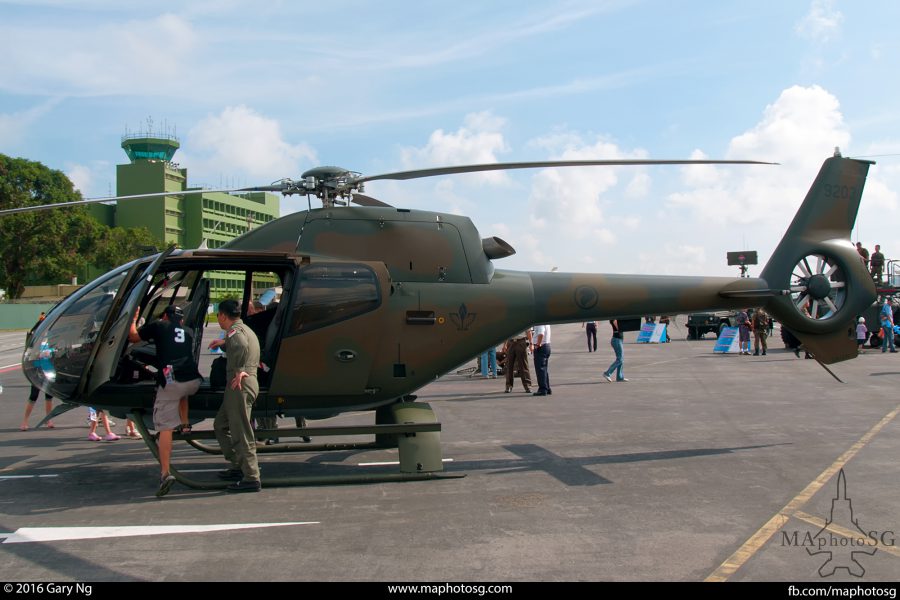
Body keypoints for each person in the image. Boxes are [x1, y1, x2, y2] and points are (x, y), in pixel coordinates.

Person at [128, 305, 202, 497]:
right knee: (182, 392)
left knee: (165, 428)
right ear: (181, 320)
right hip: (193, 381)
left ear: (165, 317)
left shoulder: (160, 325)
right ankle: (185, 424)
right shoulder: (188, 331)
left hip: (172, 382)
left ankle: (165, 473)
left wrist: (133, 318)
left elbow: (133, 337)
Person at [209, 299, 262, 492]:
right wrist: (223, 344)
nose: (219, 320)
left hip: (239, 384)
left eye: (219, 317)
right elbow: (236, 344)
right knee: (220, 425)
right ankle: (238, 464)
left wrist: (239, 369)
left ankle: (251, 476)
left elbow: (239, 346)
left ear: (223, 315)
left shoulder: (235, 332)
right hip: (242, 383)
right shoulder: (243, 329)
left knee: (241, 431)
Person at [532, 324, 552, 396]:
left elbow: (541, 333)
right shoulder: (546, 322)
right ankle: (547, 388)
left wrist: (538, 344)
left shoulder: (540, 323)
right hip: (546, 345)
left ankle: (543, 389)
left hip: (541, 347)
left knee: (540, 369)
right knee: (544, 369)